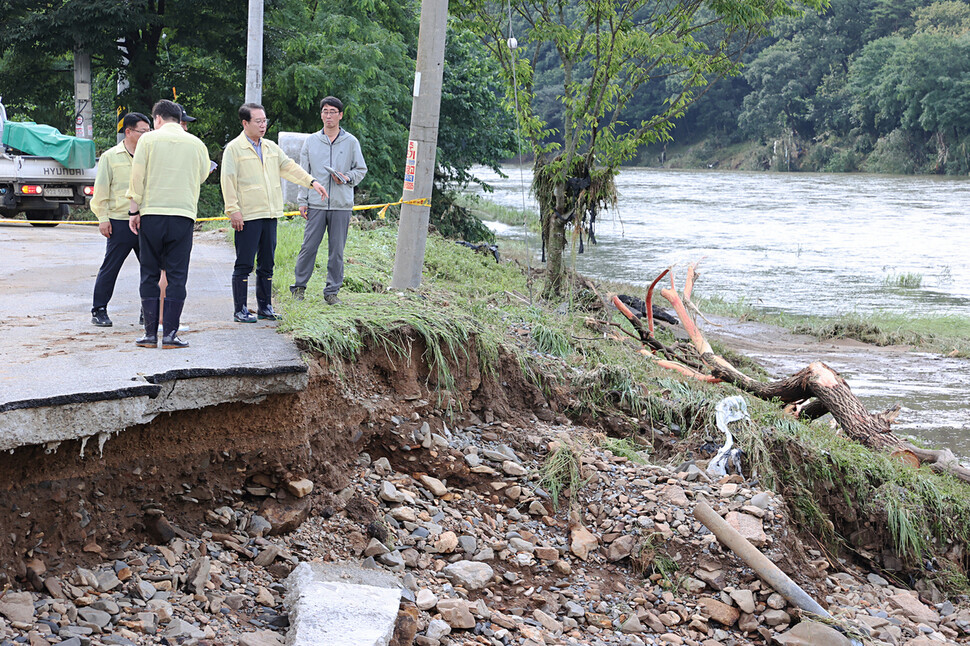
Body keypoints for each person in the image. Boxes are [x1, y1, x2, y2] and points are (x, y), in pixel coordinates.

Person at [220, 102, 327, 322]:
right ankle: (240, 309)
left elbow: (289, 167)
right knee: (244, 263)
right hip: (248, 215)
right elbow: (228, 181)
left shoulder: (270, 147)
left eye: (264, 120)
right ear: (245, 123)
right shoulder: (234, 148)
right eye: (258, 121)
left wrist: (311, 182)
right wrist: (233, 211)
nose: (263, 125)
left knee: (267, 263)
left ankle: (265, 307)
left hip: (269, 214)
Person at [127, 99, 210, 349]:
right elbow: (203, 174)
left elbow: (137, 176)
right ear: (178, 119)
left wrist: (134, 210)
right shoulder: (196, 143)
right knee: (177, 274)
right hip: (183, 214)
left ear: (158, 119)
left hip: (152, 213)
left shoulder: (148, 141)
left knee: (149, 272)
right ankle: (171, 334)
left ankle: (150, 334)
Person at [291, 96, 367, 304]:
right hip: (316, 203)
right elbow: (303, 173)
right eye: (325, 111)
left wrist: (346, 178)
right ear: (321, 114)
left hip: (341, 205)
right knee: (308, 247)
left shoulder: (351, 142)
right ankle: (299, 288)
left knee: (337, 251)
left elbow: (361, 170)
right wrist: (302, 200)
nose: (328, 115)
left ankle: (332, 292)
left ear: (340, 115)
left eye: (333, 111)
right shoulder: (312, 141)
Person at [89, 112, 152, 327]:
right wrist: (103, 218)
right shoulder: (110, 157)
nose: (147, 135)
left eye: (149, 131)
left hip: (147, 221)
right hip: (119, 221)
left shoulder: (151, 155)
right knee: (111, 266)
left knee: (151, 268)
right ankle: (99, 309)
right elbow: (101, 191)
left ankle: (148, 310)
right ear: (128, 132)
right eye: (142, 131)